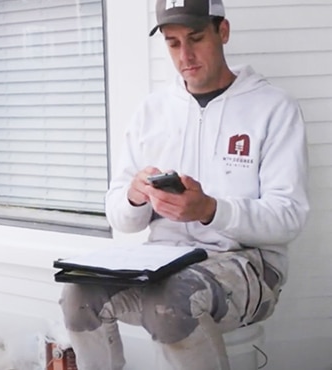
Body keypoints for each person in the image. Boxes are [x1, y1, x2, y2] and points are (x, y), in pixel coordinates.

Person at [59, 0, 309, 369]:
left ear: (222, 32)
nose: (185, 55)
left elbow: (289, 217)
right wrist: (134, 197)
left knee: (173, 303)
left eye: (195, 38)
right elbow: (121, 216)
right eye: (173, 43)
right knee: (77, 295)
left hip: (248, 264)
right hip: (161, 263)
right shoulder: (153, 111)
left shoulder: (274, 108)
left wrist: (211, 210)